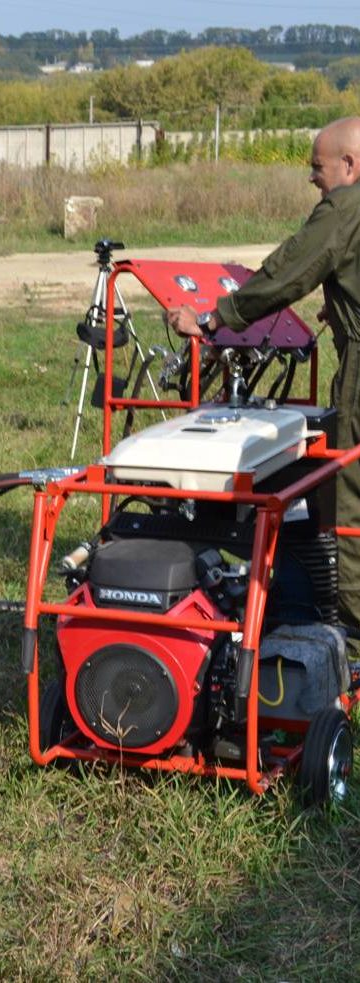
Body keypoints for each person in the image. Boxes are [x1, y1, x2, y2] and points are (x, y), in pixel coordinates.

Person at [166, 116, 360, 638]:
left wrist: (213, 318)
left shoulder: (345, 208)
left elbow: (289, 271)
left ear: (349, 165)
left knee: (350, 499)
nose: (312, 178)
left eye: (318, 168)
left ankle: (350, 631)